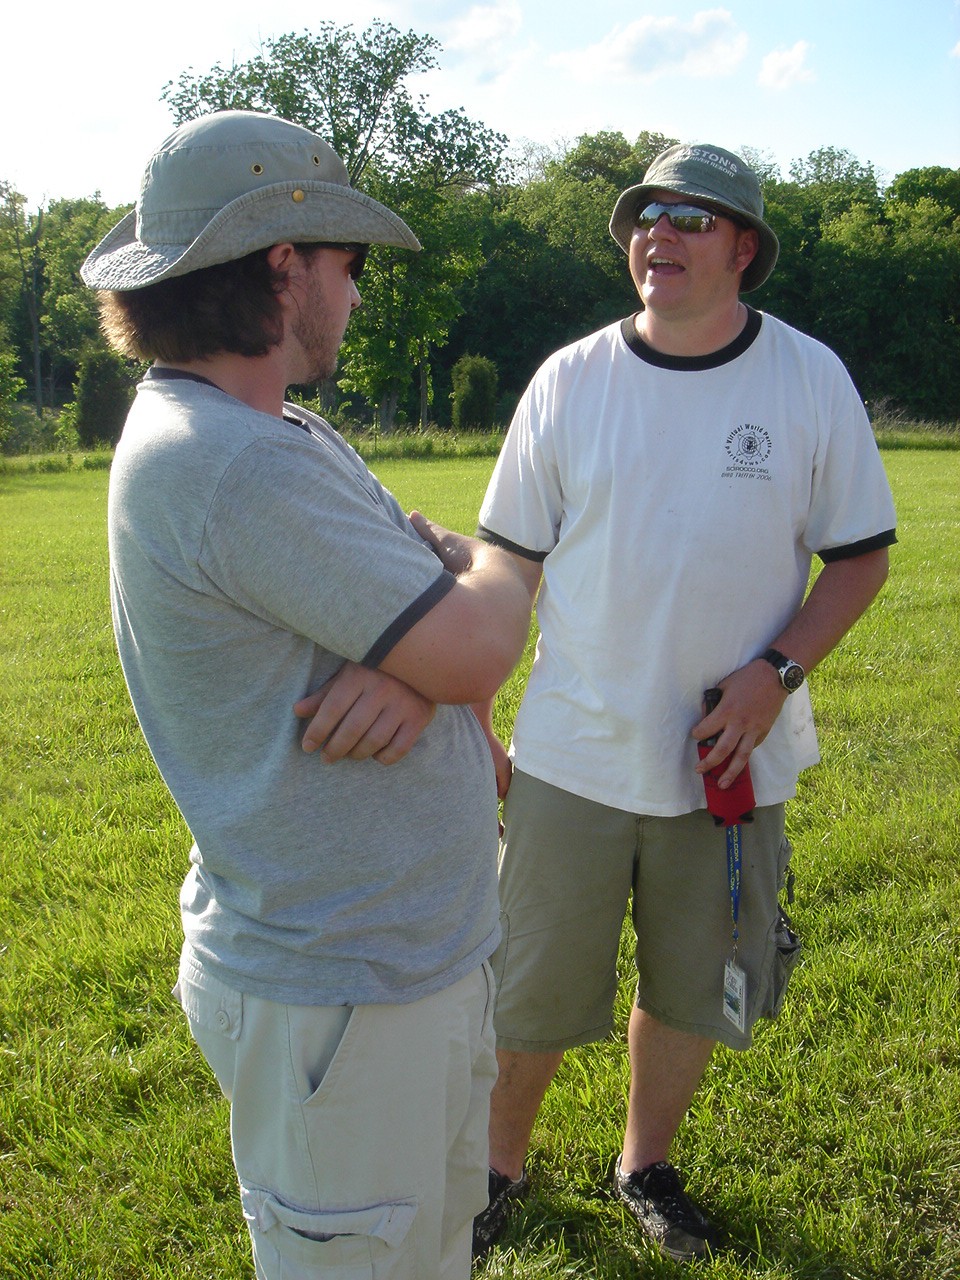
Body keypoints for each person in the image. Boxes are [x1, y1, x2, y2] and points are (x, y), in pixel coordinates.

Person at [81, 110, 533, 1280]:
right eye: (350, 259)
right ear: (285, 267)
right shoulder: (234, 461)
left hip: (391, 970)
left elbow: (431, 621)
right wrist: (497, 567)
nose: (358, 292)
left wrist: (421, 671)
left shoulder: (275, 430)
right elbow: (476, 631)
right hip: (343, 994)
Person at [470, 142, 897, 1262]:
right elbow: (506, 564)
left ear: (744, 248)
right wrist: (474, 706)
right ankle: (494, 1172)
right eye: (647, 215)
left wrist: (776, 674)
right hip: (572, 751)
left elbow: (859, 558)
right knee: (529, 984)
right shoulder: (569, 380)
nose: (659, 233)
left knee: (695, 983)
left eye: (692, 218)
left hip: (726, 759)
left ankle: (643, 1165)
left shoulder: (807, 377)